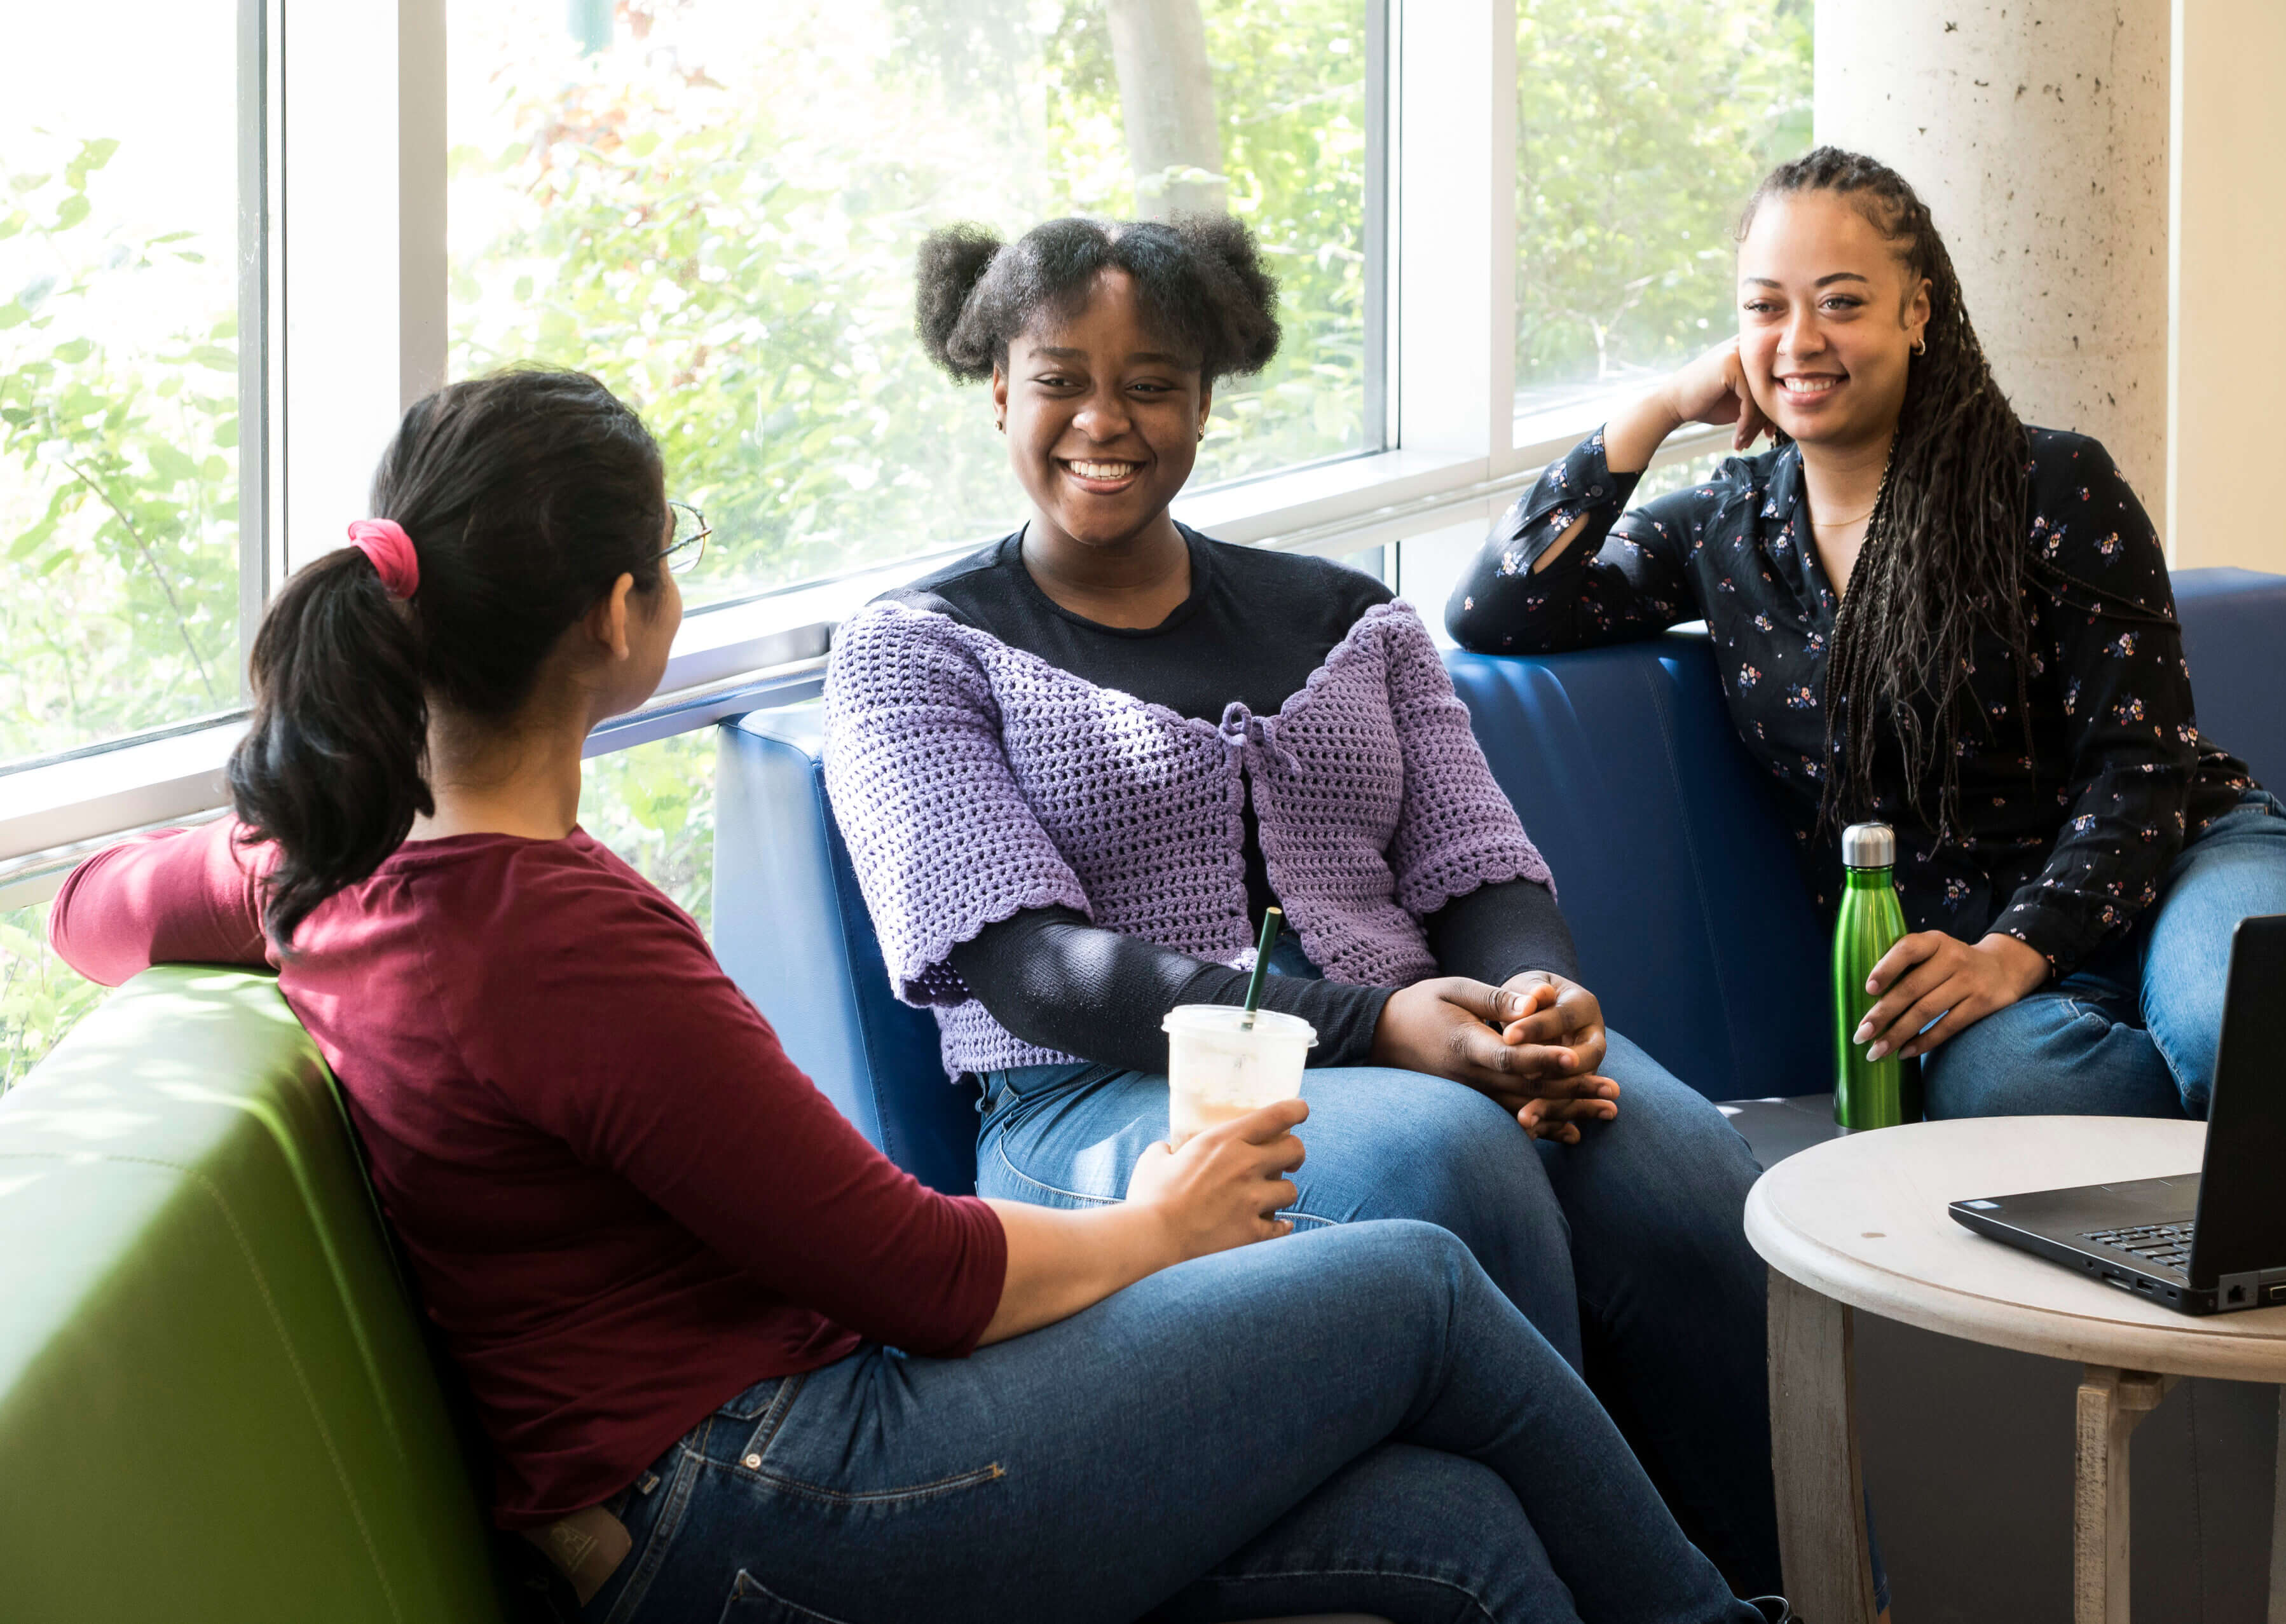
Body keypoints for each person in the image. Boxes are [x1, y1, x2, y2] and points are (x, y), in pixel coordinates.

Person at [48, 368, 1777, 1624]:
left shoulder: (328, 875)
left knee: (1457, 1524)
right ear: (620, 614)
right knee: (1412, 1283)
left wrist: (276, 832)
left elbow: (87, 910)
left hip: (731, 1471)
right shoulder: (557, 941)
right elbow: (927, 1271)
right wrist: (1169, 1220)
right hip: (764, 1502)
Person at [824, 215, 1793, 1600]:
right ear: (997, 390)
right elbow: (1032, 971)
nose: (1104, 419)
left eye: (1151, 382)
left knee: (1689, 1168)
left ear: (1207, 401)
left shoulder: (1350, 616)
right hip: (1097, 1104)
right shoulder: (915, 649)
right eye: (1060, 380)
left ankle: (1779, 1580)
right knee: (1449, 1162)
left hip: (1423, 1040)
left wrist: (1530, 991)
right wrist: (1373, 1027)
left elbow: (1482, 862)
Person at [1447, 146, 2286, 1121]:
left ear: (1916, 310)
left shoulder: (2051, 486)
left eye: (1840, 302)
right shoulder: (1725, 529)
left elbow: (2142, 768)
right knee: (2000, 1086)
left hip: (2180, 863)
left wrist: (2016, 953)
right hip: (1981, 977)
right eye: (1766, 308)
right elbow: (1501, 607)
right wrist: (1663, 407)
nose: (1800, 340)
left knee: (2229, 1019)